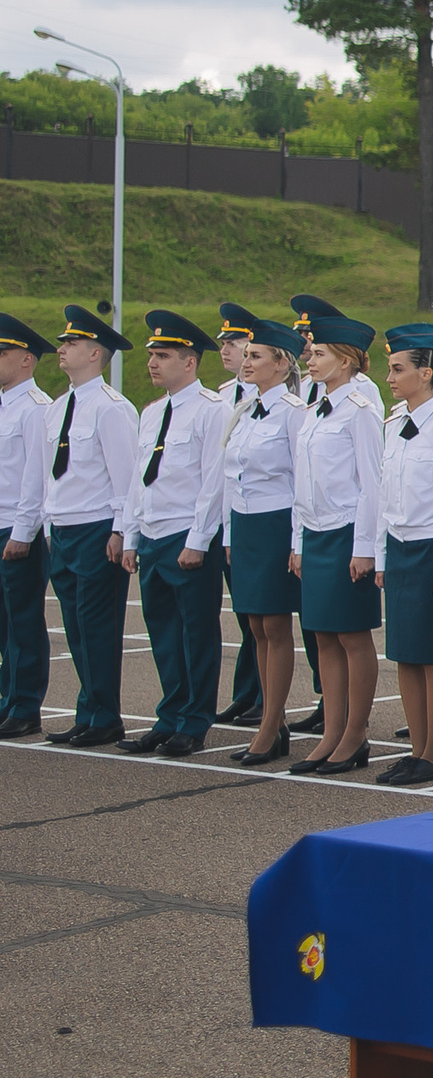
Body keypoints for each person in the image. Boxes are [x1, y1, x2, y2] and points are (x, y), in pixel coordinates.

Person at [112, 313, 228, 758]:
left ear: (190, 362)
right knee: (162, 631)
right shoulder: (152, 412)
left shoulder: (211, 411)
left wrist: (197, 541)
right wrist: (131, 534)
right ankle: (170, 715)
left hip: (186, 536)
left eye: (163, 356)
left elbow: (211, 481)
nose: (153, 363)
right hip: (155, 535)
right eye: (152, 356)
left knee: (195, 631)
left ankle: (194, 721)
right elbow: (141, 481)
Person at [287, 312, 385, 775]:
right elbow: (302, 483)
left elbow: (372, 483)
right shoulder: (313, 410)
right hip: (317, 533)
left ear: (345, 361)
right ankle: (331, 730)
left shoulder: (361, 412)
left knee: (351, 634)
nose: (310, 358)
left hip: (347, 533)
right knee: (323, 634)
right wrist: (298, 541)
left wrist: (365, 546)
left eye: (320, 353)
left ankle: (355, 733)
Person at [374, 324, 433, 785]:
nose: (389, 376)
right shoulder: (392, 423)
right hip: (400, 547)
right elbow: (382, 494)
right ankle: (415, 750)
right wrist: (379, 556)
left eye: (398, 368)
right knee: (405, 655)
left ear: (426, 373)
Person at [42, 306, 139, 748]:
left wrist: (121, 530)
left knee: (97, 627)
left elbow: (125, 477)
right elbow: (51, 473)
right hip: (63, 528)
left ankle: (105, 716)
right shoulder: (60, 406)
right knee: (75, 628)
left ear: (96, 353)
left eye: (72, 344)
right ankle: (89, 710)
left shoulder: (112, 408)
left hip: (97, 529)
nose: (62, 350)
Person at [224, 318, 306, 765]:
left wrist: (296, 542)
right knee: (254, 625)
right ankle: (271, 722)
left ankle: (272, 725)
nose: (246, 361)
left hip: (277, 524)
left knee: (274, 627)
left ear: (281, 363)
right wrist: (232, 533)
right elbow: (231, 477)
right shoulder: (244, 408)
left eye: (256, 356)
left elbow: (300, 482)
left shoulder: (293, 412)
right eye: (247, 354)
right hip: (248, 525)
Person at [0, 313, 57, 740]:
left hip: (16, 530)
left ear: (26, 360)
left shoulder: (37, 411)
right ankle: (7, 699)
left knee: (22, 623)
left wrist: (23, 532)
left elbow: (37, 479)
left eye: (3, 353)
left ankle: (24, 706)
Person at [210, 306, 265, 725]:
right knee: (246, 614)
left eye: (234, 343)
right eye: (225, 343)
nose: (226, 349)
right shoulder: (222, 395)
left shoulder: (274, 399)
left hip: (264, 517)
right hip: (231, 517)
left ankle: (266, 698)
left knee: (266, 618)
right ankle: (247, 694)